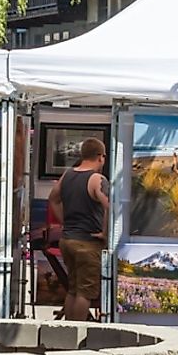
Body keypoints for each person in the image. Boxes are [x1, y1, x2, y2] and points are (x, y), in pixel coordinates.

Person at [55, 136, 109, 321]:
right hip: (88, 243)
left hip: (67, 239)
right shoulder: (97, 179)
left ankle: (66, 333)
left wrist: (64, 222)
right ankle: (78, 333)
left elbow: (53, 200)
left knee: (73, 289)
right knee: (85, 293)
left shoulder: (67, 175)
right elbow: (110, 206)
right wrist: (105, 233)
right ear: (101, 157)